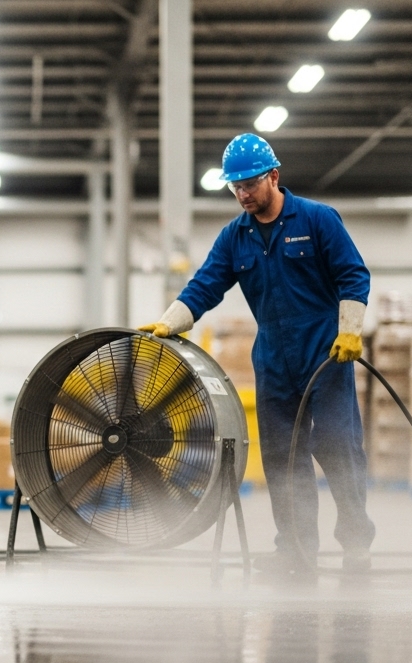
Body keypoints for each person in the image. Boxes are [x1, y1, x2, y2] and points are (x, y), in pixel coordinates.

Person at [139, 134, 372, 573]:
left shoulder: (318, 220)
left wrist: (350, 332)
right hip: (273, 361)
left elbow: (353, 274)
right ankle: (296, 548)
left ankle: (356, 541)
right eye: (235, 187)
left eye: (249, 184)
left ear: (273, 177)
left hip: (326, 354)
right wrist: (169, 321)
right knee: (283, 456)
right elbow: (206, 285)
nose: (243, 193)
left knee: (339, 447)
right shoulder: (235, 238)